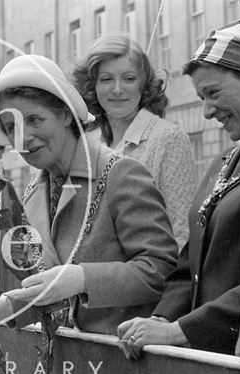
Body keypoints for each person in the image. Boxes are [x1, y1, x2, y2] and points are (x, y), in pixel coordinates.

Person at [0, 55, 178, 336]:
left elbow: (161, 270)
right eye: (11, 127)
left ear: (66, 114)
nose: (24, 137)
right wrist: (8, 306)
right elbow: (52, 287)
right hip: (70, 365)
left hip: (126, 359)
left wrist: (83, 278)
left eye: (34, 119)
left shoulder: (121, 173)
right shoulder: (33, 192)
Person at [118, 19, 240, 357]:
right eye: (201, 97)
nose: (207, 111)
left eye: (214, 93)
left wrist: (180, 331)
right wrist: (161, 319)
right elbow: (189, 264)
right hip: (210, 358)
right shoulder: (225, 162)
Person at [72, 33, 197, 249]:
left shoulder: (168, 139)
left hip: (152, 277)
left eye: (129, 78)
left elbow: (182, 234)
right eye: (106, 79)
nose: (117, 89)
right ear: (92, 86)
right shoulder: (86, 143)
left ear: (144, 84)